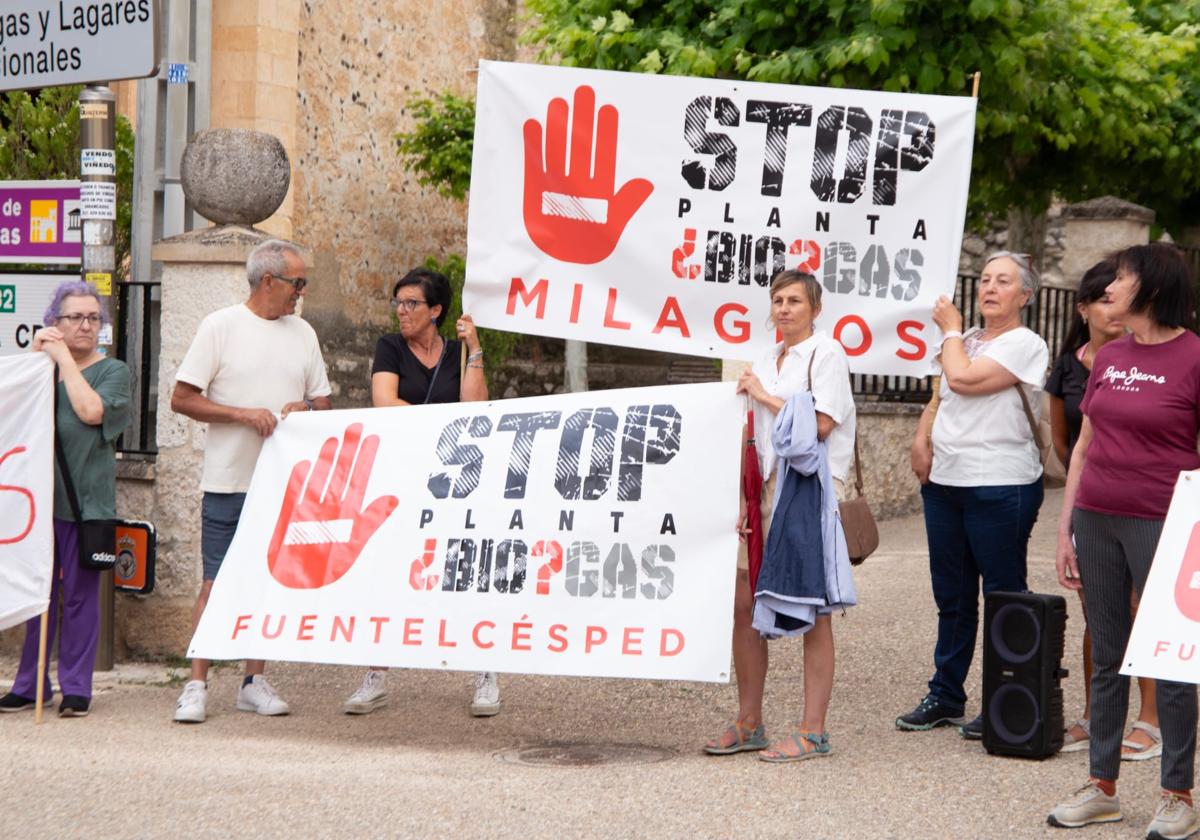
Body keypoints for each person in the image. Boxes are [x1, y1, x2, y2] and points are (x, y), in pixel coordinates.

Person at [1048, 243, 1200, 838]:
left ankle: (1177, 794)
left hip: (1165, 524)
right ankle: (1102, 786)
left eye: (1123, 277)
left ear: (1154, 287)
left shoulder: (1193, 357)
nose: (1110, 286)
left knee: (1170, 662)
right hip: (1096, 518)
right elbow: (1084, 445)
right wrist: (1065, 527)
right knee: (1107, 653)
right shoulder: (1109, 357)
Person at [171, 239, 333, 724]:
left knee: (265, 582)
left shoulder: (304, 333)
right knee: (214, 583)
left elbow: (323, 403)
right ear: (268, 281)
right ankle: (197, 682)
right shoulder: (219, 326)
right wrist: (241, 414)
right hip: (228, 479)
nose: (301, 292)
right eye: (296, 283)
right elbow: (182, 398)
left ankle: (252, 680)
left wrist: (304, 408)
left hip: (281, 483)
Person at [702, 269, 856, 761]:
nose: (784, 308)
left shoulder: (826, 353)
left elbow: (823, 424)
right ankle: (750, 721)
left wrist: (764, 394)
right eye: (777, 300)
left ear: (814, 308)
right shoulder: (766, 357)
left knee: (814, 610)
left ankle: (813, 730)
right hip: (764, 489)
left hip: (807, 492)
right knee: (744, 599)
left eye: (794, 300)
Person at [900, 251, 1049, 738]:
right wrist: (922, 438)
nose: (989, 287)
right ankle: (946, 694)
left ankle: (1004, 699)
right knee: (953, 597)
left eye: (1003, 281)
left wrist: (947, 329)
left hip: (1000, 483)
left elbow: (964, 380)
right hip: (946, 483)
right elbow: (939, 394)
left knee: (1004, 596)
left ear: (1024, 295)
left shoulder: (1026, 343)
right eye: (985, 278)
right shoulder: (964, 340)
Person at [341, 267, 496, 717]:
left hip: (455, 480)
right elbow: (384, 402)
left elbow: (475, 406)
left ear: (436, 311)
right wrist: (441, 428)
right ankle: (376, 675)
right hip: (402, 476)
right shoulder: (390, 346)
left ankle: (485, 672)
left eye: (412, 304)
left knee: (465, 571)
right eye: (399, 303)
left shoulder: (455, 352)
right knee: (389, 571)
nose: (402, 312)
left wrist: (473, 346)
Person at [0, 282, 130, 718]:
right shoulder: (41, 369)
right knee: (39, 595)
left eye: (93, 318)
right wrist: (40, 357)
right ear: (55, 323)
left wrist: (62, 362)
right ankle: (30, 684)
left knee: (78, 598)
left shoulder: (113, 372)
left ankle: (76, 686)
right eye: (74, 317)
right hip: (36, 506)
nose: (85, 326)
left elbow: (91, 412)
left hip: (85, 506)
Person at [1047, 260, 1160, 760]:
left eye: (1119, 289)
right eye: (1103, 295)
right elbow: (1068, 442)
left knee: (1146, 609)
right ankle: (1099, 719)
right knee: (1101, 613)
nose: (1112, 300)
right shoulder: (1073, 365)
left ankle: (1152, 718)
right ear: (1085, 308)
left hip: (1148, 504)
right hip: (1094, 501)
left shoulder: (1170, 357)